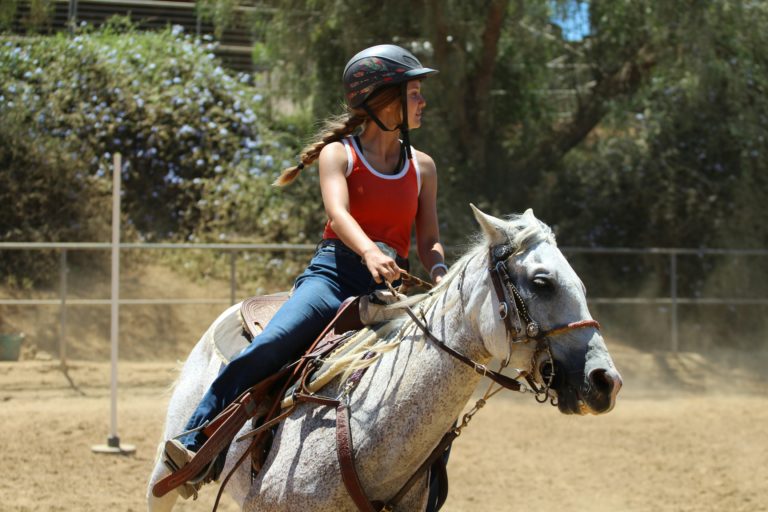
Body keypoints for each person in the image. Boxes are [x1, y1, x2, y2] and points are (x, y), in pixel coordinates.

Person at [164, 44, 449, 501]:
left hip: (391, 290)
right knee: (274, 344)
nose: (423, 102)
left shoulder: (423, 167)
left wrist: (438, 270)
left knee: (436, 377)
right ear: (383, 100)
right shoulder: (339, 154)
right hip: (333, 276)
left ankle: (426, 489)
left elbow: (429, 235)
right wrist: (369, 253)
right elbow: (338, 214)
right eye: (414, 92)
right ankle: (197, 439)